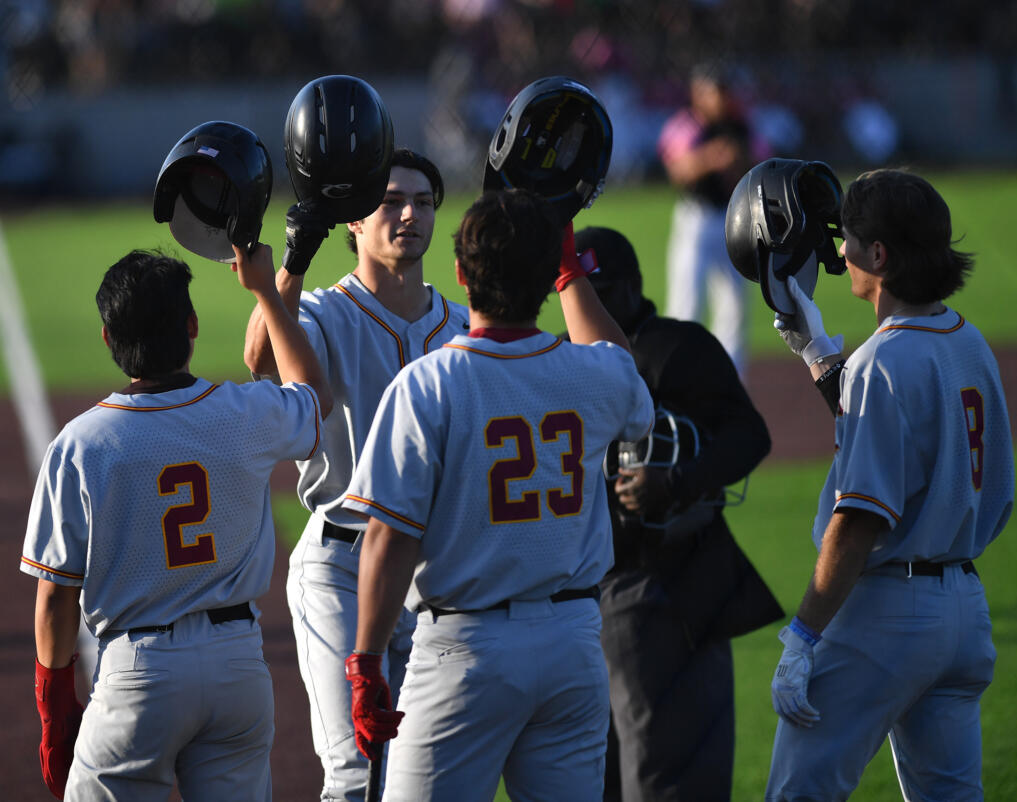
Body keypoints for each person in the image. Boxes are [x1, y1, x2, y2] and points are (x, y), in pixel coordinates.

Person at [340, 189, 655, 801]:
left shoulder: (427, 384)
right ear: (549, 278)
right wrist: (567, 271)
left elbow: (390, 536)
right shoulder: (596, 375)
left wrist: (365, 662)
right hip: (573, 643)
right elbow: (620, 362)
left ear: (460, 274)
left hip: (465, 654)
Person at [22, 243, 331, 800]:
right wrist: (265, 290)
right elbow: (313, 394)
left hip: (139, 676)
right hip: (239, 671)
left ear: (109, 340)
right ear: (191, 326)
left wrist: (54, 707)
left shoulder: (80, 445)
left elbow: (55, 597)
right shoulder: (247, 412)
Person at [766, 168, 1014, 800]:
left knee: (799, 793)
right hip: (964, 613)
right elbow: (893, 436)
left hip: (888, 618)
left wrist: (804, 634)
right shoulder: (970, 343)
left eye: (847, 239)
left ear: (879, 255)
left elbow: (860, 521)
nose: (837, 252)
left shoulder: (884, 360)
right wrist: (818, 353)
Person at [243, 148, 468, 802]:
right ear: (353, 224)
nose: (408, 215)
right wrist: (289, 262)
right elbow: (259, 357)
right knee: (353, 773)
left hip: (433, 574)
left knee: (426, 778)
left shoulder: (458, 326)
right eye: (390, 202)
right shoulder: (321, 309)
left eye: (423, 202)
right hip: (342, 562)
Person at [573, 226, 782, 802]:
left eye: (592, 292)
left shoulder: (677, 347)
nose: (579, 306)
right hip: (584, 596)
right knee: (598, 775)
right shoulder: (564, 356)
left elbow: (749, 435)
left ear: (628, 288)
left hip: (671, 584)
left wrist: (679, 481)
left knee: (668, 773)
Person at [658, 61, 765, 375]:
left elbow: (760, 160)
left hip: (733, 218)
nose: (720, 97)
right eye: (713, 90)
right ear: (697, 93)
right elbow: (676, 169)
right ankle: (677, 375)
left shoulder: (741, 125)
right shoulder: (688, 124)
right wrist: (711, 158)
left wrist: (736, 160)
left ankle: (732, 377)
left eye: (722, 90)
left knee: (734, 304)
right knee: (686, 302)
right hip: (696, 219)